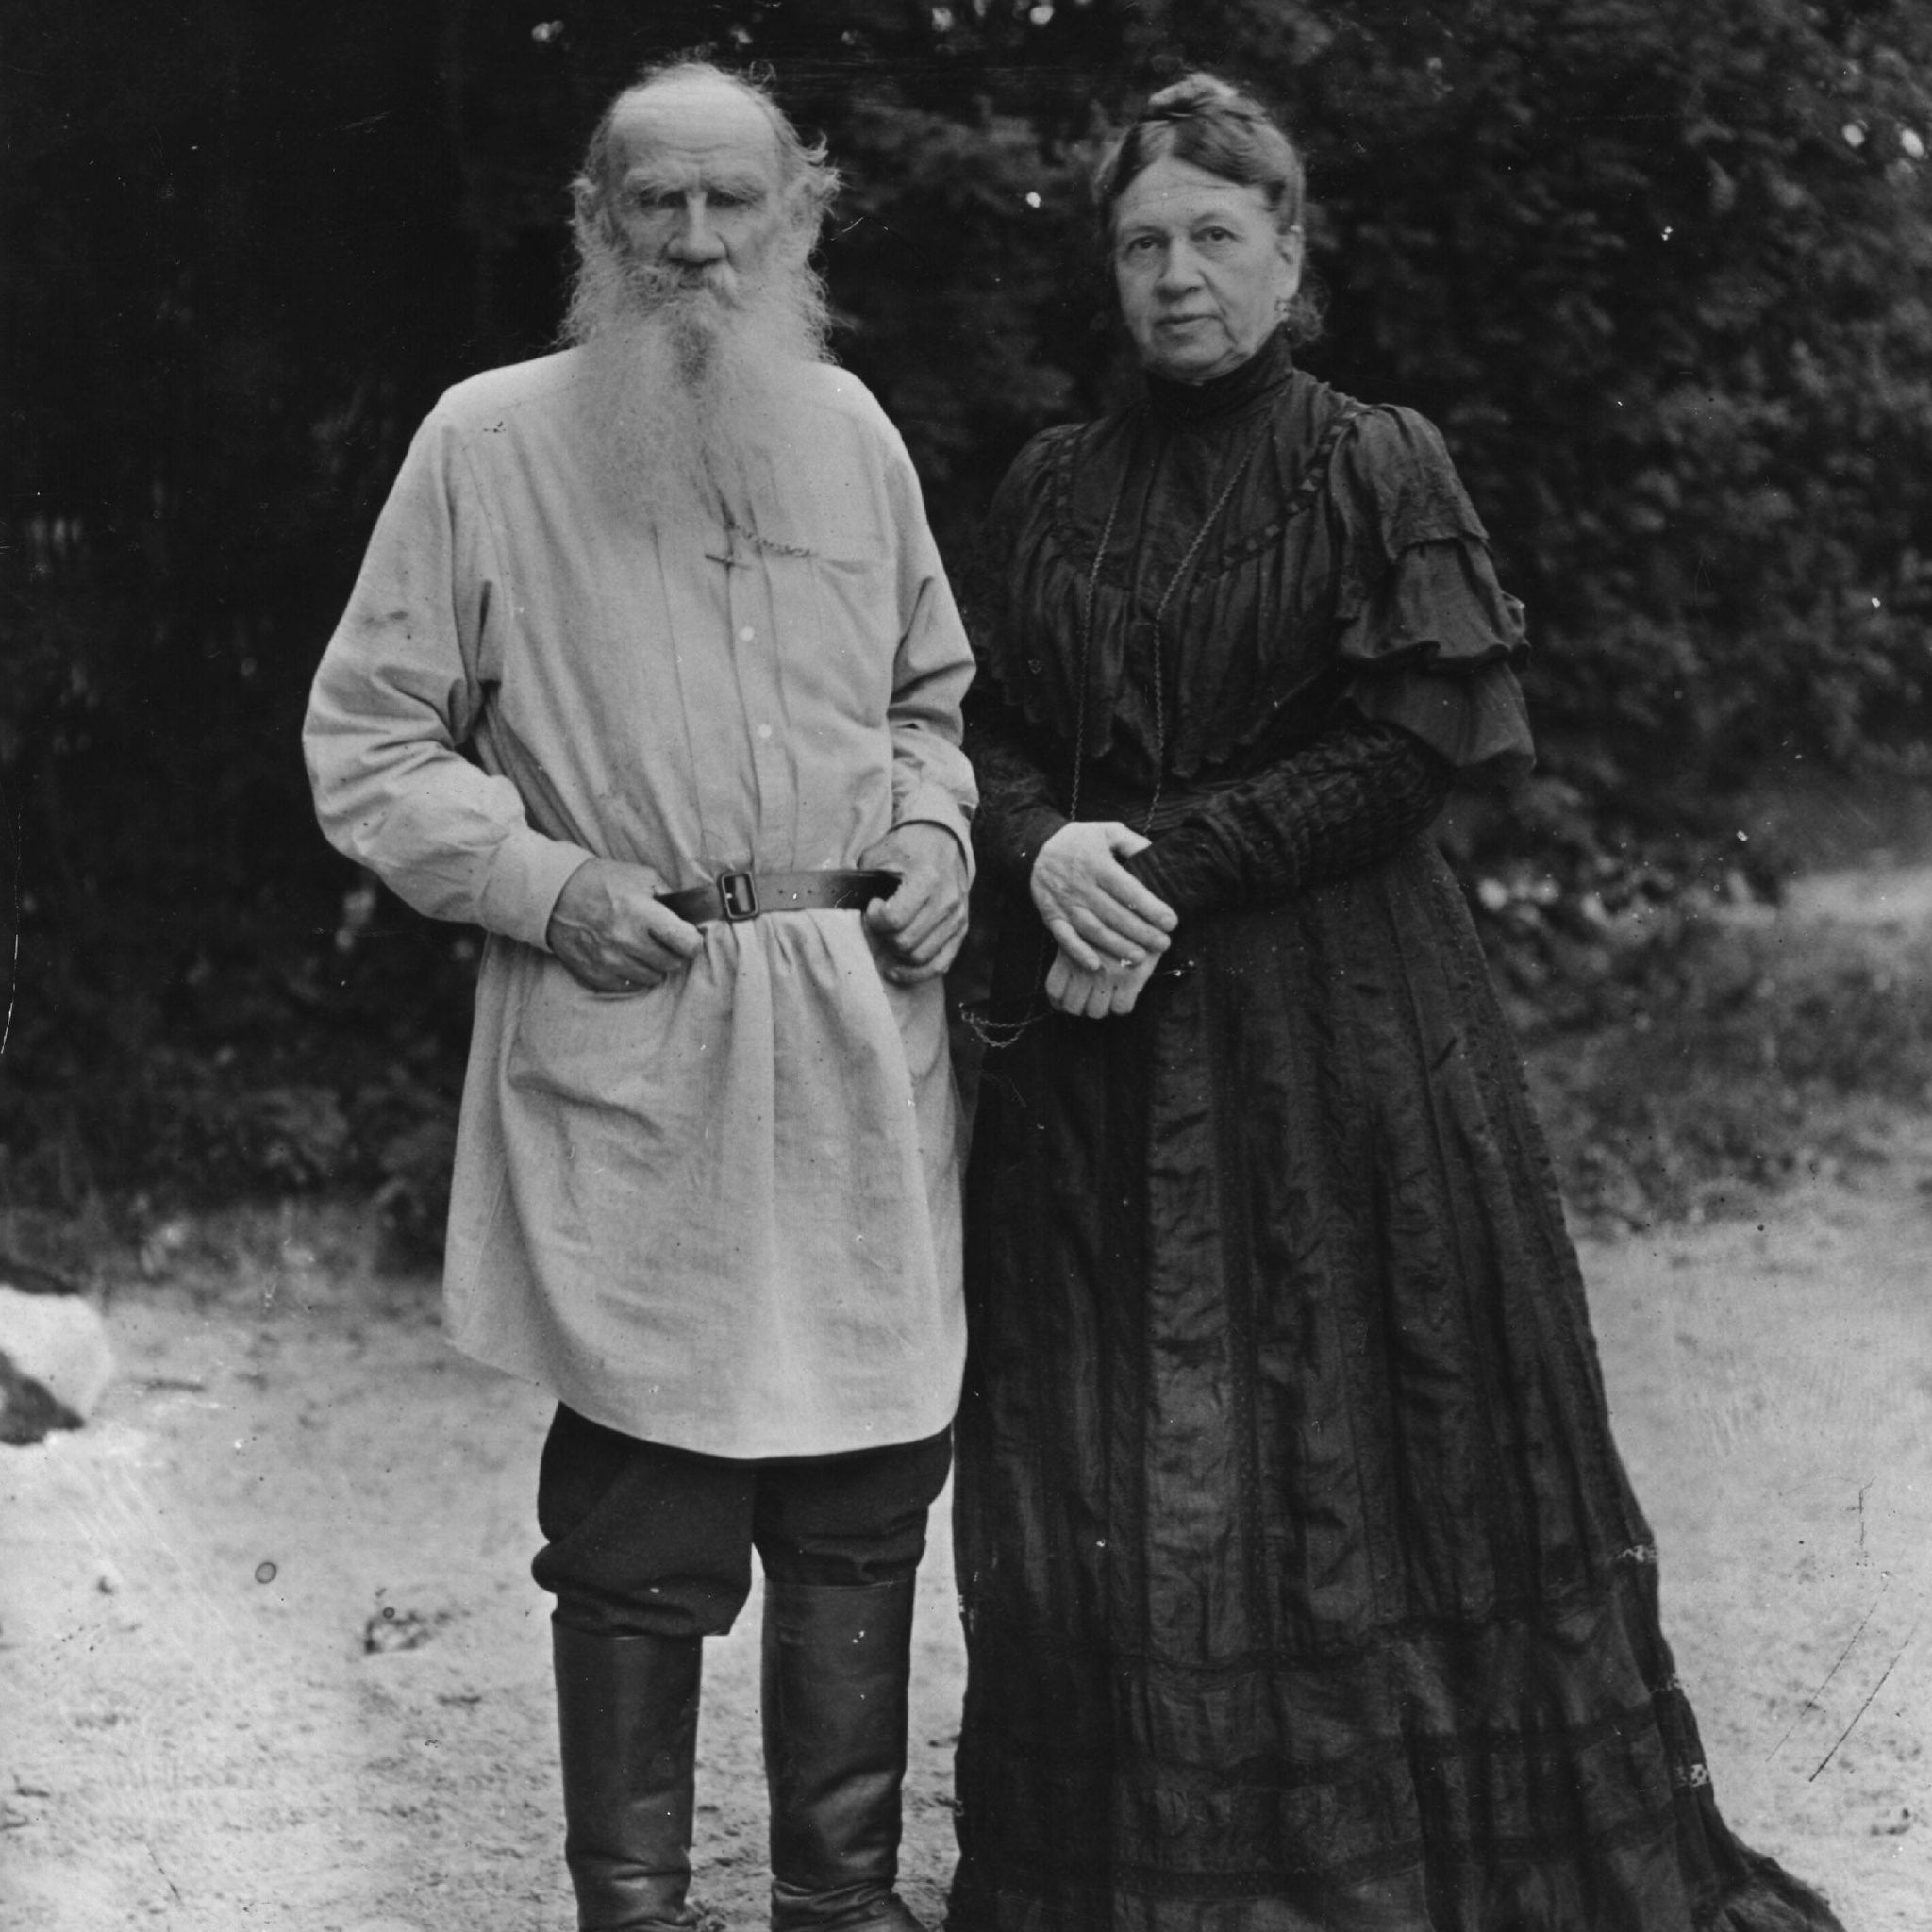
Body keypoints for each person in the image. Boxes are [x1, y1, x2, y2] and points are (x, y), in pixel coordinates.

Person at [946, 72, 1845, 1932]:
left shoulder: (1372, 462)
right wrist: (1042, 856)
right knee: (1122, 1429)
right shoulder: (1046, 486)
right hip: (1097, 1045)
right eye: (1142, 242)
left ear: (1287, 250)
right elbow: (974, 731)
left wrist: (1161, 868)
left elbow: (1414, 745)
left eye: (1215, 236)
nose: (1177, 277)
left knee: (1364, 1409)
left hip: (1335, 1031)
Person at [304, 60, 974, 1932]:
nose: (693, 241)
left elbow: (929, 702)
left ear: (796, 220)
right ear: (595, 222)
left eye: (729, 204)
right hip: (635, 1021)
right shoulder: (487, 442)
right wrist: (546, 883)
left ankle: (837, 1908)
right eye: (652, 204)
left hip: (852, 1031)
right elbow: (367, 741)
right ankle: (638, 1912)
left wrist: (937, 837)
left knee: (859, 1479)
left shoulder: (853, 433)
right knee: (645, 1509)